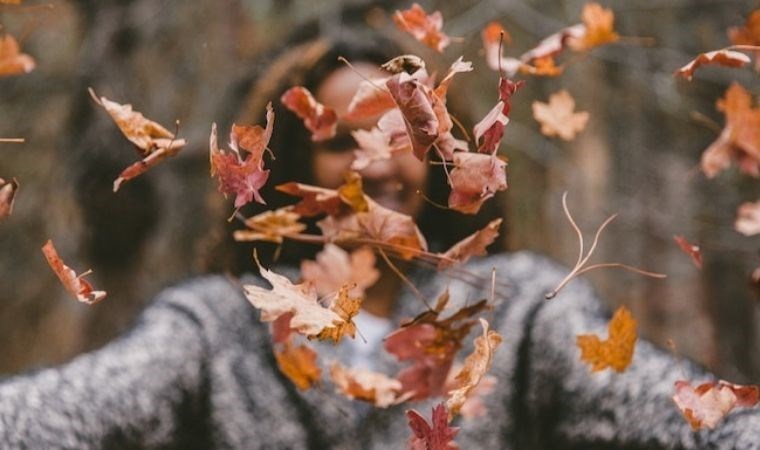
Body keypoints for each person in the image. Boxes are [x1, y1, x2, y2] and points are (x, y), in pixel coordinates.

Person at [1, 25, 759, 450]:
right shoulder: (218, 325)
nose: (376, 163)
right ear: (296, 166)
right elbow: (71, 408)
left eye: (400, 134)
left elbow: (675, 416)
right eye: (342, 142)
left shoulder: (520, 308)